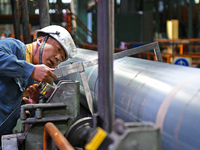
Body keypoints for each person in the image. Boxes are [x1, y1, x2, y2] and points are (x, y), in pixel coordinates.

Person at [0, 25, 77, 137]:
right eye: (58, 49)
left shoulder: (36, 81)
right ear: (41, 41)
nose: (57, 58)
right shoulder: (14, 47)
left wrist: (33, 107)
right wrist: (30, 70)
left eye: (61, 58)